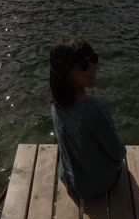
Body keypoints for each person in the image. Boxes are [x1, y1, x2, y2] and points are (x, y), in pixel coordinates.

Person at [49, 38, 126, 201]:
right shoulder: (95, 109)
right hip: (98, 186)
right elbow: (118, 153)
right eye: (84, 65)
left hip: (69, 180)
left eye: (94, 59)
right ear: (65, 73)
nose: (93, 67)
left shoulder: (56, 104)